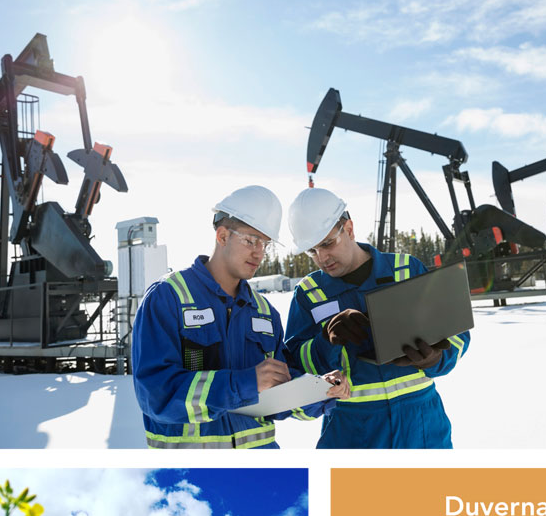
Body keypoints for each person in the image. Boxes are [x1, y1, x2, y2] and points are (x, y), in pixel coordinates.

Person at [132, 185, 348, 449]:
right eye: (250, 240)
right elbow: (157, 395)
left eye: (265, 243)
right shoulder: (169, 298)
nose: (259, 252)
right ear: (222, 236)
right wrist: (245, 383)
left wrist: (320, 390)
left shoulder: (265, 312)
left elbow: (278, 396)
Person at [284, 187, 470, 449]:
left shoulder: (405, 270)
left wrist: (437, 357)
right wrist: (325, 341)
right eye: (311, 251)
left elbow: (455, 333)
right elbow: (294, 365)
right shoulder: (309, 294)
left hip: (422, 427)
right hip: (351, 433)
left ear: (348, 229)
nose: (322, 258)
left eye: (327, 244)